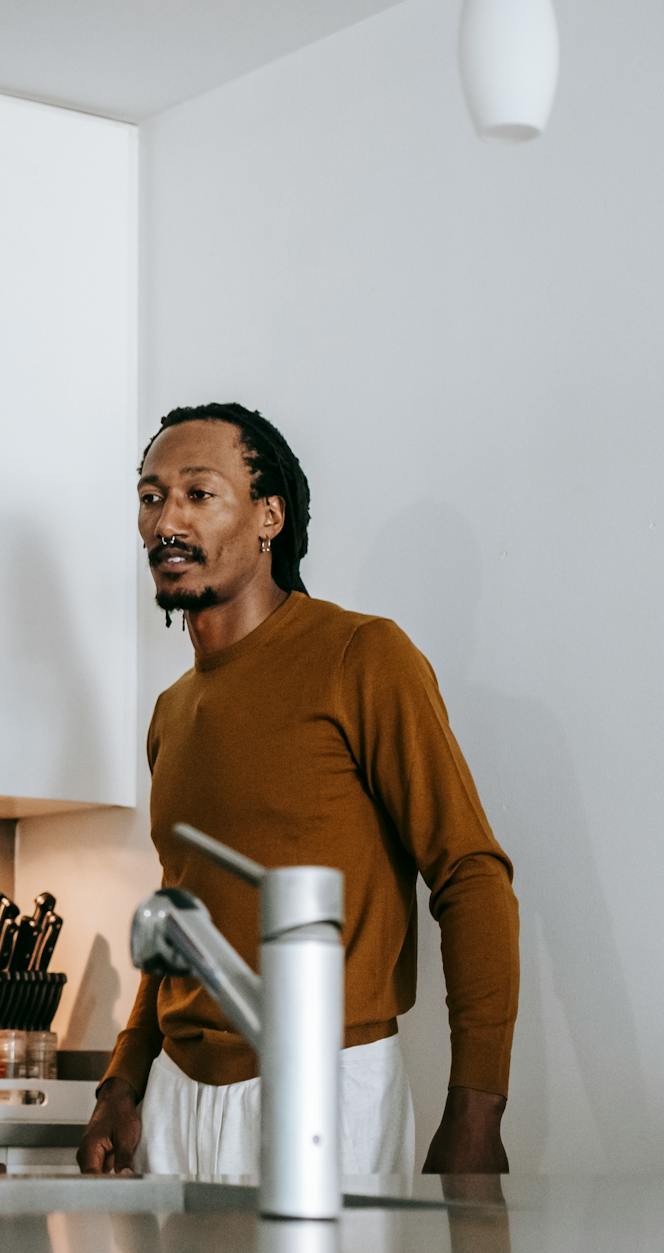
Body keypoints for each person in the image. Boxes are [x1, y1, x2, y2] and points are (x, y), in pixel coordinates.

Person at [77, 403, 519, 1179]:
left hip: (325, 1089)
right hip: (177, 1101)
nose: (166, 520)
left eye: (198, 493)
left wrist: (477, 1108)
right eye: (151, 497)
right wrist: (123, 1077)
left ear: (268, 516)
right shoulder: (170, 714)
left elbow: (471, 874)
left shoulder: (363, 657)